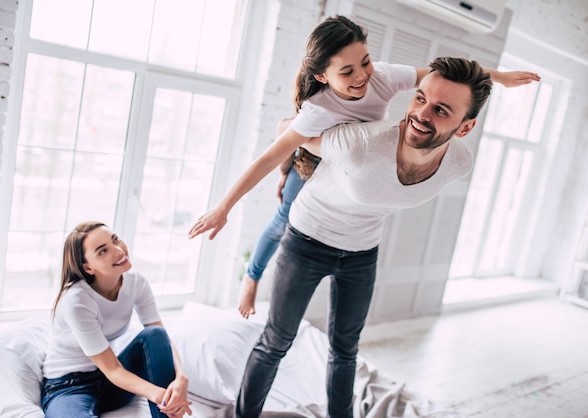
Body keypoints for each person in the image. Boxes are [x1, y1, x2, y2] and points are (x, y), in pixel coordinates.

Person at [189, 56, 506, 418]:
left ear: (465, 128)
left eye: (441, 110)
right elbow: (285, 139)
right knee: (277, 341)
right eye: (419, 98)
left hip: (361, 251)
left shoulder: (459, 164)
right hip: (306, 239)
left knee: (345, 350)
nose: (421, 114)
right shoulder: (360, 144)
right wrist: (224, 207)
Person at [236, 15, 540, 319]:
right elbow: (275, 152)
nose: (361, 76)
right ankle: (251, 277)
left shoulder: (382, 77)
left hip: (349, 159)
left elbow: (442, 78)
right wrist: (268, 182)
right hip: (316, 152)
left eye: (365, 62)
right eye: (347, 71)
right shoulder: (319, 108)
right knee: (282, 219)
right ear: (323, 76)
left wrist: (497, 77)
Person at [42, 221, 192, 418]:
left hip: (110, 384)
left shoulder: (136, 283)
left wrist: (181, 378)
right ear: (87, 267)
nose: (119, 250)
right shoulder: (77, 301)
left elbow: (161, 338)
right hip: (69, 387)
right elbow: (112, 369)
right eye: (103, 251)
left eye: (115, 240)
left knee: (155, 334)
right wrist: (159, 394)